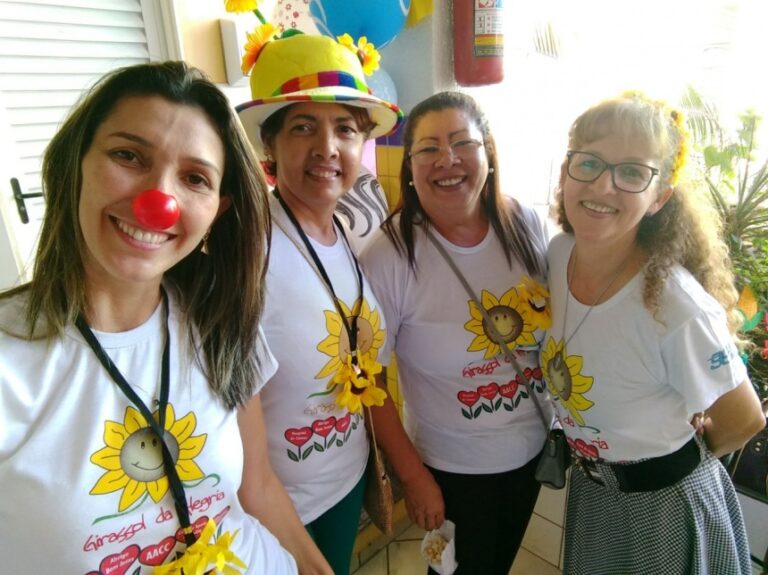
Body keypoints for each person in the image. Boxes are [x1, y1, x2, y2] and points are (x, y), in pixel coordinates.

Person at [0, 61, 332, 574]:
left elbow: (258, 487)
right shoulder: (11, 360)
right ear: (75, 163)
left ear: (217, 210)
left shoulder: (220, 321)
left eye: (195, 178)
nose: (158, 201)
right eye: (128, 155)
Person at [542, 91, 766, 574]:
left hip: (666, 506)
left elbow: (744, 418)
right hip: (594, 495)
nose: (603, 186)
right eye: (589, 163)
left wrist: (669, 456)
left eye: (631, 173)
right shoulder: (557, 254)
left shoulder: (676, 307)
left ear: (659, 197)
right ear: (565, 173)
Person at [360, 91, 551, 575]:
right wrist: (413, 477)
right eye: (428, 148)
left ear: (488, 152)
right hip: (452, 470)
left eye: (462, 142)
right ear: (409, 166)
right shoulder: (388, 256)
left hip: (530, 452)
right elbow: (368, 381)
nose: (447, 159)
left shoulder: (525, 223)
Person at [235, 31, 403, 574]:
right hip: (280, 510)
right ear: (270, 144)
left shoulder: (346, 236)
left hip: (346, 481)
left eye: (345, 129)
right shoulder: (246, 250)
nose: (328, 147)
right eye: (303, 126)